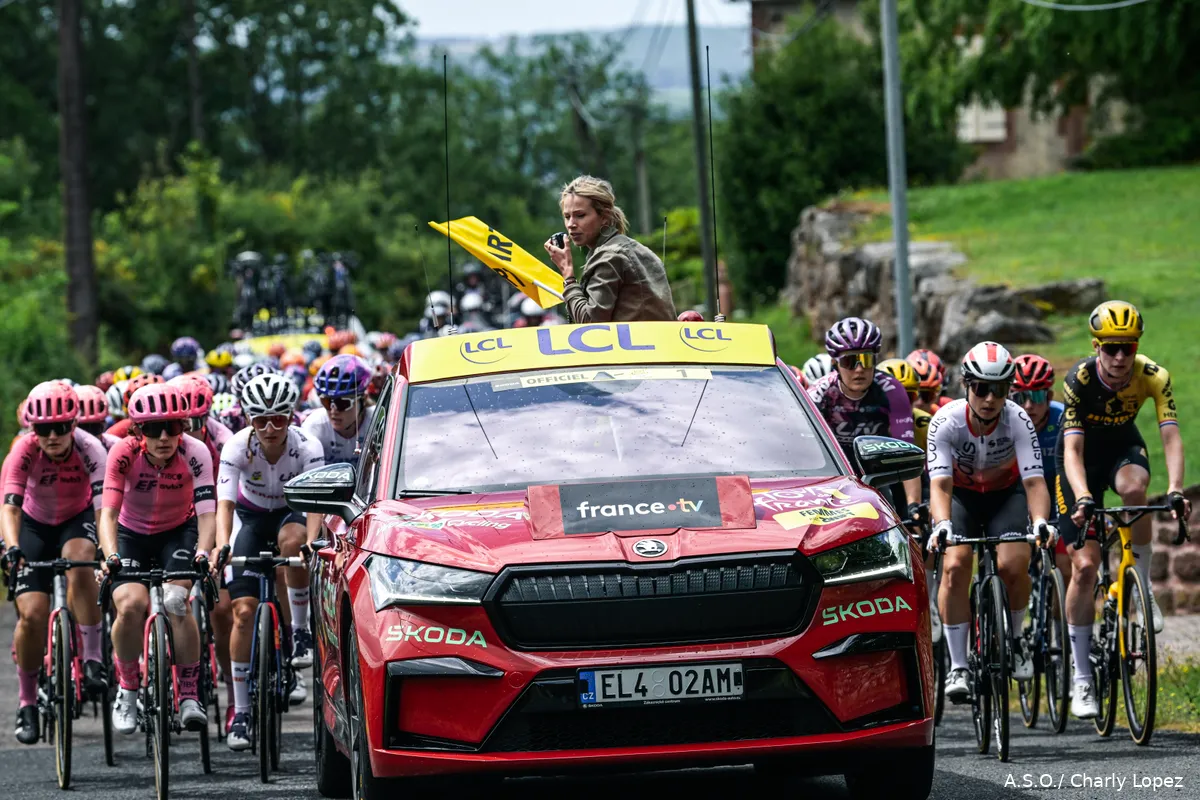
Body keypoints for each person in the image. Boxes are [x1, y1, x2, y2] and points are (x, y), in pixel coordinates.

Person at [1055, 301, 1189, 719]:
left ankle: (1142, 586)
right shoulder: (1078, 379)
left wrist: (1176, 487)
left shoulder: (1154, 376)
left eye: (1127, 349)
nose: (1118, 358)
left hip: (1122, 447)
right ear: (1096, 346)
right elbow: (1072, 451)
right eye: (1110, 348)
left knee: (1136, 489)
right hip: (1080, 462)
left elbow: (1170, 436)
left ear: (1137, 348)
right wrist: (1081, 497)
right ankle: (1080, 677)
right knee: (1085, 568)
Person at [927, 342, 1053, 703]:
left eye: (998, 389)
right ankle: (959, 665)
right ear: (967, 385)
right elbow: (940, 483)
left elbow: (1033, 482)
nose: (989, 398)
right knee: (954, 565)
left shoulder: (1018, 419)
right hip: (962, 498)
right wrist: (943, 524)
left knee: (1014, 563)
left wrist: (1041, 519)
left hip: (1005, 495)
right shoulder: (946, 420)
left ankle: (1014, 640)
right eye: (981, 388)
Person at [100, 384, 216, 735]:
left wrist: (203, 552)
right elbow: (107, 514)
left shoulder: (196, 452)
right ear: (138, 430)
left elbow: (208, 515)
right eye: (153, 428)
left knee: (177, 600)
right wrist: (111, 556)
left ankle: (190, 695)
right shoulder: (122, 453)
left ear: (183, 427)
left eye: (173, 426)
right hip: (130, 535)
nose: (164, 436)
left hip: (177, 532)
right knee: (130, 605)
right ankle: (128, 686)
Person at [216, 374, 324, 751]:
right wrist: (219, 547)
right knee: (242, 612)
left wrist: (311, 543)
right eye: (260, 420)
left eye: (278, 418)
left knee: (292, 543)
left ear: (290, 416)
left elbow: (313, 504)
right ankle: (242, 711)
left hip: (291, 515)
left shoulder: (307, 446)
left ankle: (299, 631)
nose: (270, 428)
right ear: (248, 419)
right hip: (249, 518)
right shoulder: (235, 447)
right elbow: (225, 505)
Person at [2, 382, 109, 744]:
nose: (52, 436)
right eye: (43, 429)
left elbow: (104, 507)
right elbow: (10, 507)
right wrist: (13, 548)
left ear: (73, 424)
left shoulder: (90, 448)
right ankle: (27, 702)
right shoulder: (23, 451)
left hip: (76, 519)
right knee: (32, 615)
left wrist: (107, 550)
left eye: (60, 427)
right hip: (33, 525)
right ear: (33, 429)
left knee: (80, 562)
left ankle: (93, 658)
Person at [807, 318, 923, 524]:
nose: (859, 369)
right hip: (835, 471)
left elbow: (906, 452)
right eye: (850, 361)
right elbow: (803, 450)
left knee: (914, 529)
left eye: (866, 360)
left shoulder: (892, 391)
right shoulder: (820, 393)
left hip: (881, 469)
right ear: (835, 364)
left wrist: (914, 505)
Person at [544, 175, 676, 323]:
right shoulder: (638, 250)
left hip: (635, 344)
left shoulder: (609, 257)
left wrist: (568, 275)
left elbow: (591, 324)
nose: (571, 224)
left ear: (604, 216)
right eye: (567, 217)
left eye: (580, 215)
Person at [1012, 354, 1070, 580]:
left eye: (1036, 396)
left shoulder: (1063, 419)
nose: (1028, 405)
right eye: (1020, 397)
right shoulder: (1004, 421)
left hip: (1057, 489)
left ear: (1049, 397)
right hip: (1019, 490)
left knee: (1066, 566)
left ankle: (1056, 615)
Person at [302, 355, 375, 469]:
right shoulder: (314, 426)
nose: (333, 411)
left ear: (363, 399)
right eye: (326, 401)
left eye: (342, 403)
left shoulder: (378, 423)